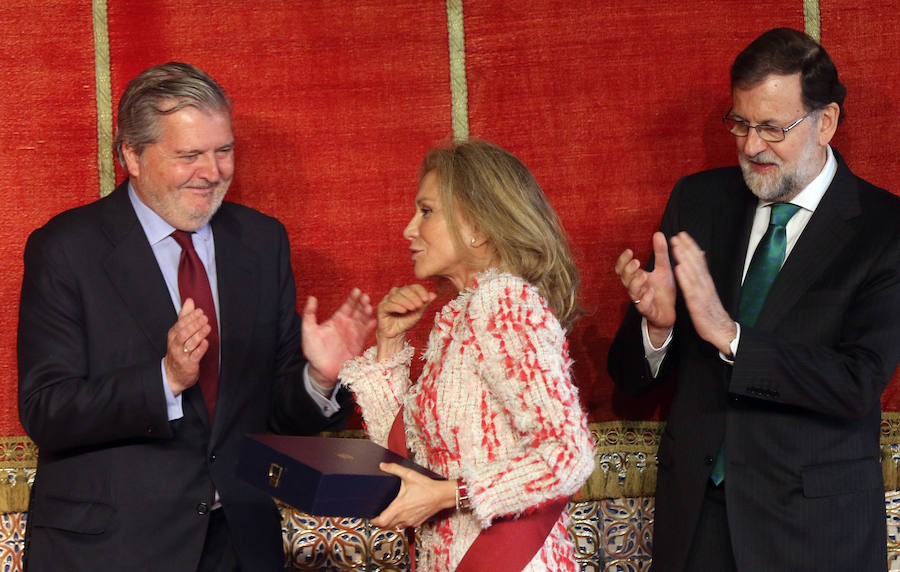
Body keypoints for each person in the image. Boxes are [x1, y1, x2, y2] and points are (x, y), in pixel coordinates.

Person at [17, 62, 375, 572]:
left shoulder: (260, 241)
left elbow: (273, 412)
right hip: (111, 550)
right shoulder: (66, 248)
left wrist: (318, 378)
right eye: (190, 155)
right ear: (132, 156)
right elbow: (45, 410)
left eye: (223, 151)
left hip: (238, 547)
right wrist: (164, 380)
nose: (213, 171)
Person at [608, 28, 900, 572]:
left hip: (813, 534)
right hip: (696, 525)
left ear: (826, 122)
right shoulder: (697, 201)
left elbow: (857, 381)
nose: (750, 146)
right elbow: (629, 378)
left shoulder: (886, 230)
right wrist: (658, 330)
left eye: (771, 127)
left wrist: (731, 335)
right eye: (740, 124)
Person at [339, 140, 595, 571]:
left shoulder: (505, 303)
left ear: (477, 226)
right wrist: (389, 344)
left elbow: (568, 455)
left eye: (426, 211)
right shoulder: (461, 314)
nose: (409, 229)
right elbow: (404, 460)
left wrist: (447, 494)